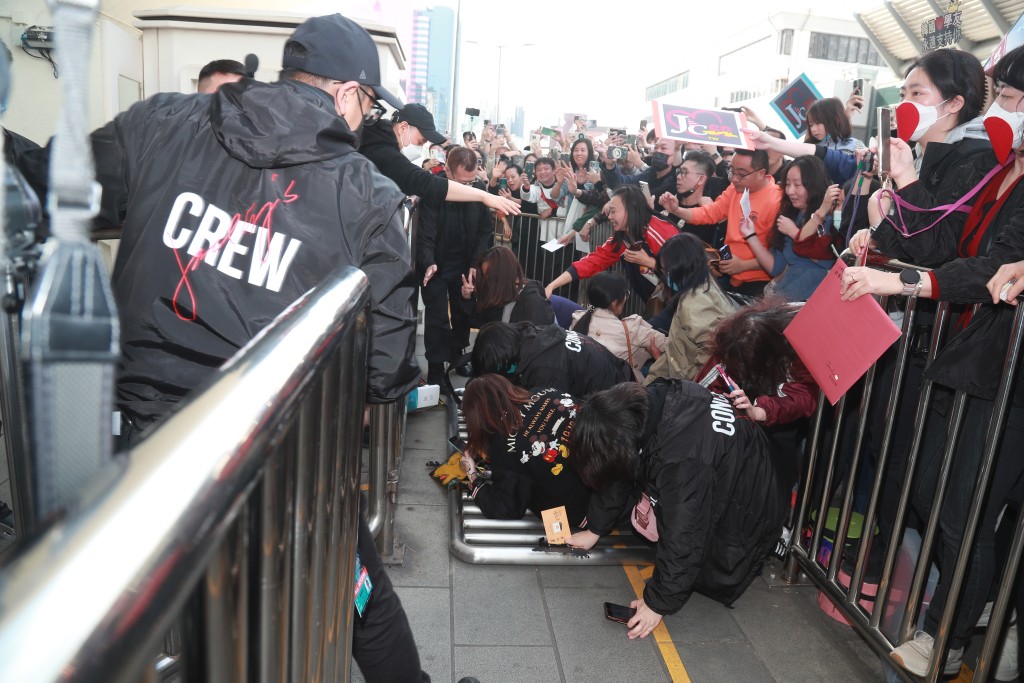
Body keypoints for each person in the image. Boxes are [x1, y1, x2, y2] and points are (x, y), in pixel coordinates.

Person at [43, 14, 427, 682]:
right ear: (344, 94)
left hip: (142, 455)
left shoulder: (162, 122)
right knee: (361, 599)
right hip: (287, 475)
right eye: (367, 103)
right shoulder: (371, 197)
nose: (365, 118)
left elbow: (56, 186)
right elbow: (388, 369)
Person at [838, 124, 1024, 674]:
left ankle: (948, 636)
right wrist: (894, 210)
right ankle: (971, 606)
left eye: (1015, 99)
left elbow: (989, 268)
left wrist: (905, 284)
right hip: (972, 354)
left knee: (968, 511)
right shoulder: (997, 172)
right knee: (932, 492)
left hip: (1008, 371)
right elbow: (946, 246)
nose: (1005, 111)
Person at [566, 380, 794, 639]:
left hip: (751, 502)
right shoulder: (646, 402)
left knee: (714, 567)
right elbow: (619, 466)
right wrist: (596, 527)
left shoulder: (682, 462)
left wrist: (657, 603)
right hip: (737, 464)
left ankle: (774, 540)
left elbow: (685, 533)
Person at [847, 48, 995, 268]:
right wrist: (877, 231)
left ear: (954, 103)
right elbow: (907, 244)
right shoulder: (916, 155)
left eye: (916, 94)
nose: (904, 104)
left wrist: (905, 179)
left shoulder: (977, 160)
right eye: (902, 95)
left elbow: (936, 251)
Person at [460, 374, 591, 525]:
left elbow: (505, 508)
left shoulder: (504, 446)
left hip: (583, 511)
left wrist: (472, 476)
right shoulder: (547, 391)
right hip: (606, 479)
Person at [416, 146, 495, 386]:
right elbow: (425, 232)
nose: (468, 188)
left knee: (463, 312)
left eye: (471, 182)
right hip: (437, 266)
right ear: (449, 171)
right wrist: (428, 262)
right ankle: (436, 366)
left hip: (465, 264)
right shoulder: (433, 189)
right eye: (463, 182)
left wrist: (475, 263)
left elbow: (485, 231)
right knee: (437, 317)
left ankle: (457, 354)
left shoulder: (479, 191)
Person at [358, 103, 519, 215]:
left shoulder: (377, 140)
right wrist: (485, 196)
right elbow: (427, 183)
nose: (421, 147)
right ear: (403, 128)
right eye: (421, 141)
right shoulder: (382, 152)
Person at [667, 149, 783, 297]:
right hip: (730, 273)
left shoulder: (777, 201)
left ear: (761, 173)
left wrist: (744, 265)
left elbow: (778, 258)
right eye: (731, 171)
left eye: (741, 174)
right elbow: (711, 213)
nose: (734, 179)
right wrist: (677, 210)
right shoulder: (736, 188)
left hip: (758, 282)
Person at [544, 185, 678, 303]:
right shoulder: (623, 238)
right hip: (659, 301)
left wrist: (651, 263)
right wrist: (552, 286)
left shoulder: (658, 229)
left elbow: (687, 272)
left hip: (683, 302)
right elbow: (591, 262)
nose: (609, 217)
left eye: (613, 211)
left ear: (631, 209)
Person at [741, 155, 840, 301]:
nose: (790, 191)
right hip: (784, 297)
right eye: (787, 184)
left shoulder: (830, 218)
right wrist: (751, 235)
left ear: (814, 185)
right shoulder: (791, 216)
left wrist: (794, 233)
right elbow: (775, 267)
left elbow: (828, 262)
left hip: (811, 302)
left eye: (797, 185)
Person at [644, 233, 736, 384]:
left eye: (667, 270)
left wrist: (686, 383)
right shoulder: (704, 282)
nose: (666, 276)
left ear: (682, 267)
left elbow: (711, 350)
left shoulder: (694, 303)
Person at [471, 321, 632, 398]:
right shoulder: (532, 335)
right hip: (621, 377)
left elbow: (553, 415)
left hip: (618, 402)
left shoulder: (544, 369)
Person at [570, 272, 665, 381]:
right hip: (621, 394)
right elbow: (672, 347)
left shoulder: (578, 319)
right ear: (614, 302)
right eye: (626, 294)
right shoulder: (631, 328)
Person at [460, 246, 553, 326]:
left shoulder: (534, 303)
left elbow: (539, 342)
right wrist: (468, 298)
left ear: (502, 275)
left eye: (489, 278)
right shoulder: (499, 295)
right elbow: (479, 321)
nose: (486, 283)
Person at [659, 151, 723, 246]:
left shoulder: (708, 215)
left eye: (684, 172)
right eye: (679, 171)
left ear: (701, 179)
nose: (679, 177)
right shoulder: (667, 196)